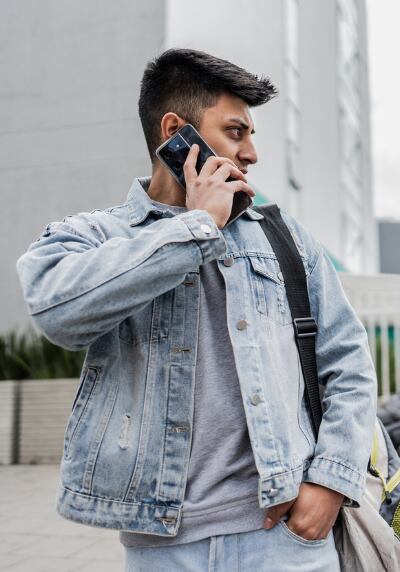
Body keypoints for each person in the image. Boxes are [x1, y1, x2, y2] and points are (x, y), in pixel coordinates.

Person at [15, 49, 376, 571]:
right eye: (235, 132)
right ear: (175, 132)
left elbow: (348, 360)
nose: (251, 153)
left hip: (283, 537)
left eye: (251, 135)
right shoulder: (95, 235)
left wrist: (330, 483)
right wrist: (195, 228)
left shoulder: (285, 237)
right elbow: (57, 314)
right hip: (163, 548)